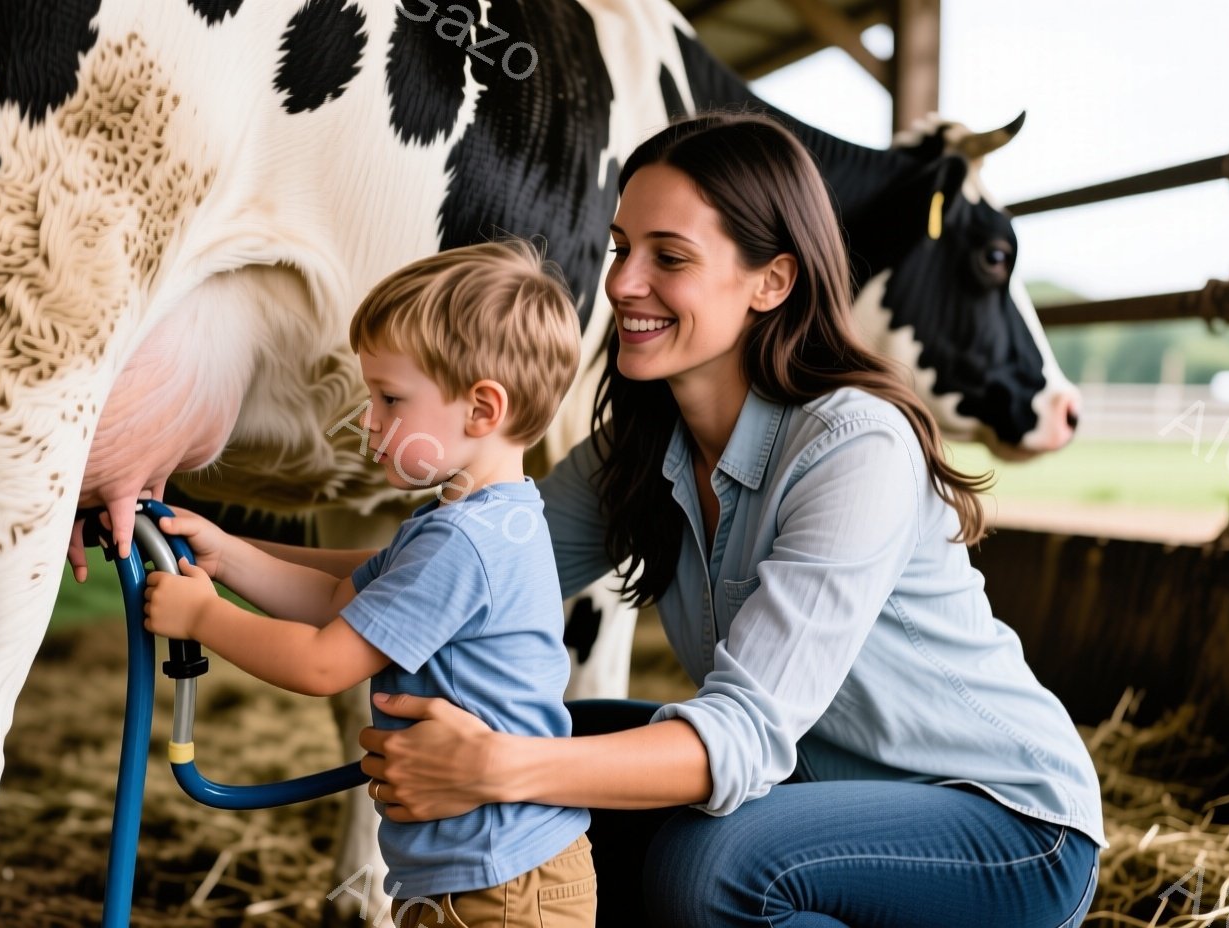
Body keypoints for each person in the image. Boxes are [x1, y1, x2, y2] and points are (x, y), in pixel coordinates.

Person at [254, 113, 1106, 927]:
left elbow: (740, 736)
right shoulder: (640, 444)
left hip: (1006, 830)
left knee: (707, 867)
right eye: (621, 247)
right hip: (815, 794)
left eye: (669, 256)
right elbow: (439, 577)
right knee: (561, 738)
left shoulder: (855, 446)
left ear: (772, 280)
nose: (621, 283)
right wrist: (202, 546)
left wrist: (493, 768)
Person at [143, 240, 598, 927]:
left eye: (390, 399)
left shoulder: (463, 543)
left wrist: (205, 617)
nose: (369, 422)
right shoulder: (474, 518)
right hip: (481, 873)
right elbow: (338, 597)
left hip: (501, 890)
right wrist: (227, 555)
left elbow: (323, 661)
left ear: (482, 410)